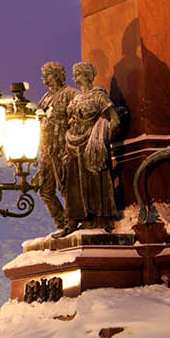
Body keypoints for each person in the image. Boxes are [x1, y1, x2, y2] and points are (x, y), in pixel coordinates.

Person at [62, 62, 119, 231]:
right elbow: (70, 120)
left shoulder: (98, 96)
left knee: (95, 180)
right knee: (73, 182)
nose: (75, 78)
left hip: (91, 143)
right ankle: (74, 219)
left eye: (78, 74)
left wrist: (101, 136)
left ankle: (101, 217)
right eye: (74, 74)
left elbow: (114, 120)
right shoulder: (76, 99)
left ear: (87, 75)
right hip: (73, 143)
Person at [36, 62, 76, 234]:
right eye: (43, 74)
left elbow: (78, 120)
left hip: (63, 148)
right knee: (43, 188)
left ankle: (73, 223)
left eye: (48, 74)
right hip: (47, 150)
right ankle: (62, 222)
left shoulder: (71, 94)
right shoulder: (44, 99)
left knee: (66, 186)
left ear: (58, 75)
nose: (44, 78)